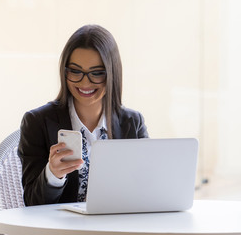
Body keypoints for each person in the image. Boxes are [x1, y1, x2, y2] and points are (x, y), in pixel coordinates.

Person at [18, 24, 149, 206]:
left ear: (112, 74)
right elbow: (32, 203)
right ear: (65, 72)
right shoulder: (37, 122)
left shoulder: (133, 123)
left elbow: (147, 189)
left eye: (96, 73)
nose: (85, 82)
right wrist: (53, 174)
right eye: (75, 71)